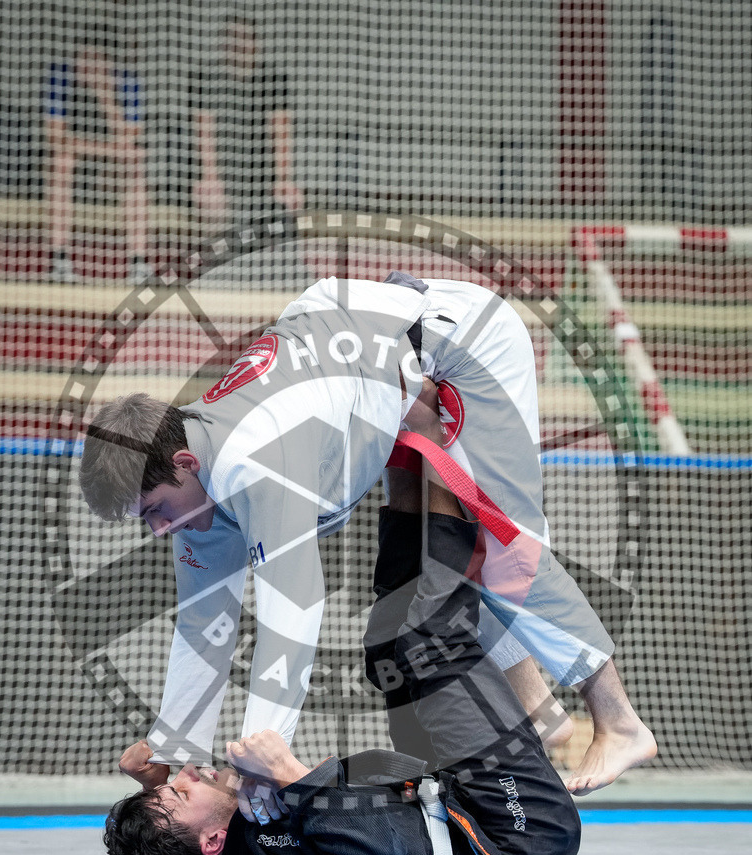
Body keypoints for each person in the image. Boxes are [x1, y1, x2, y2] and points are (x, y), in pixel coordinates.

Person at [80, 273, 656, 799]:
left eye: (155, 510)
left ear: (183, 462)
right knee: (445, 558)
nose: (159, 530)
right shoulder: (193, 474)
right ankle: (538, 712)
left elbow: (293, 618)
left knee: (504, 542)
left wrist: (264, 754)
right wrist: (174, 744)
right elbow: (205, 622)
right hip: (366, 347)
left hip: (463, 340)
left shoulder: (254, 462)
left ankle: (621, 722)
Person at [103, 473, 582, 855]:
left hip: (446, 798)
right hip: (513, 838)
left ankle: (406, 459)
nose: (190, 772)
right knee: (431, 643)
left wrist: (154, 789)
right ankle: (437, 450)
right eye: (184, 791)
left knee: (391, 648)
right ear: (212, 842)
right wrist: (293, 774)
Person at [44, 20, 154, 284]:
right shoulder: (62, 77)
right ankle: (59, 260)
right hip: (78, 161)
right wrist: (98, 148)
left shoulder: (127, 82)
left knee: (136, 167)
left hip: (110, 165)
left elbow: (132, 140)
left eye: (97, 61)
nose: (89, 67)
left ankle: (138, 264)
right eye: (85, 59)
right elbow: (55, 139)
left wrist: (104, 94)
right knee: (60, 161)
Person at [191, 12, 303, 225]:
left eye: (244, 37)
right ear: (225, 44)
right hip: (222, 170)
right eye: (234, 37)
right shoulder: (208, 79)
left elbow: (281, 128)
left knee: (287, 203)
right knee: (209, 201)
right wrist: (210, 177)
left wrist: (283, 179)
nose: (239, 44)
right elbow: (203, 127)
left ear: (254, 42)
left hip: (262, 172)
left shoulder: (272, 80)